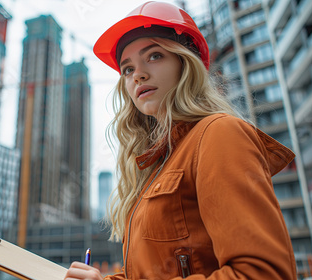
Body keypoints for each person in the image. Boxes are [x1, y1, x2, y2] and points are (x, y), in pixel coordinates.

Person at [64, 2, 297, 279]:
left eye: (154, 56)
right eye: (127, 69)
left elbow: (263, 274)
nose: (137, 74)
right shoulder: (155, 166)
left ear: (185, 64)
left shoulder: (219, 134)